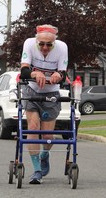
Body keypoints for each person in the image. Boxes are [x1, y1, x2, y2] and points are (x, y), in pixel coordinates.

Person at [20, 24, 68, 184]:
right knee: (33, 127)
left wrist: (57, 75)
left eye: (49, 44)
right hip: (32, 91)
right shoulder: (28, 43)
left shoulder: (62, 47)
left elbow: (63, 72)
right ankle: (37, 170)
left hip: (51, 93)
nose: (45, 47)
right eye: (41, 44)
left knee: (47, 136)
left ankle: (44, 155)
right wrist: (34, 73)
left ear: (55, 42)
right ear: (36, 41)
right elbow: (24, 71)